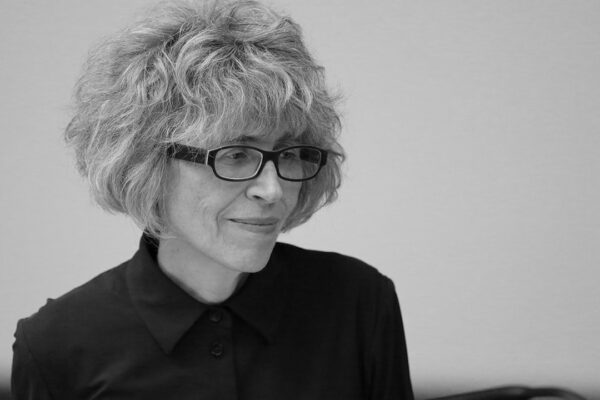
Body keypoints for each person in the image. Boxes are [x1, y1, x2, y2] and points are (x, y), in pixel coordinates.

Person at [11, 1, 413, 399]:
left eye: (288, 153)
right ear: (147, 163)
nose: (272, 190)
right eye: (235, 155)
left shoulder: (357, 302)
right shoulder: (56, 345)